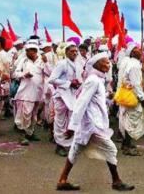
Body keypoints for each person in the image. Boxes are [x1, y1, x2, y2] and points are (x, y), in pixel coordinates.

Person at [56, 52, 134, 192]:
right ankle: (116, 181)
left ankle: (62, 180)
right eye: (105, 62)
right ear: (97, 64)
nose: (108, 64)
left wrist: (108, 96)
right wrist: (72, 126)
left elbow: (95, 98)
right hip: (91, 124)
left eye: (108, 61)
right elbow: (81, 102)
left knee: (75, 150)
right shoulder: (93, 80)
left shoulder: (97, 80)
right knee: (111, 148)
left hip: (89, 123)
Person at [49, 43, 83, 157]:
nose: (75, 53)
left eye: (76, 51)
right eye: (72, 51)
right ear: (66, 52)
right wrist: (68, 83)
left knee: (71, 121)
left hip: (73, 96)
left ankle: (69, 144)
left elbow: (79, 78)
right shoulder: (62, 64)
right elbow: (52, 79)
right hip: (62, 96)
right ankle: (59, 145)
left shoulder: (78, 64)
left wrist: (78, 84)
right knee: (60, 122)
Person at [118, 44, 144, 156]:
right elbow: (136, 84)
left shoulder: (137, 64)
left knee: (130, 119)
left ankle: (125, 143)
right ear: (132, 53)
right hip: (135, 97)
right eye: (137, 49)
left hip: (135, 95)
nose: (140, 50)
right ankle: (127, 146)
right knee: (132, 120)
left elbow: (143, 80)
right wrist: (142, 98)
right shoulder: (134, 66)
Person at [14, 43, 48, 145]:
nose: (30, 52)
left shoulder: (42, 61)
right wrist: (24, 75)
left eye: (32, 50)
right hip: (25, 92)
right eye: (28, 50)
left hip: (38, 92)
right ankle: (22, 136)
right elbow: (15, 73)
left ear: (36, 51)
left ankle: (30, 133)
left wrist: (46, 63)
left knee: (34, 114)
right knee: (25, 114)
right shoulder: (23, 60)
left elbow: (49, 73)